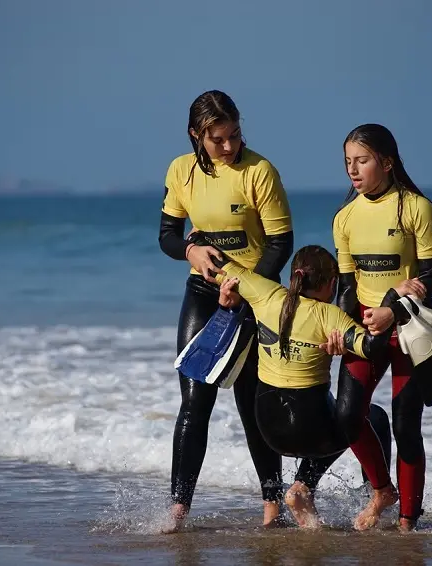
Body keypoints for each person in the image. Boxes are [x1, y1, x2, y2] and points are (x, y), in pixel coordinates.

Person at [158, 90, 295, 532]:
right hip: (203, 293)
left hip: (253, 298)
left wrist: (247, 288)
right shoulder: (181, 171)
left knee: (252, 404)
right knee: (194, 402)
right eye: (218, 139)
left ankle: (272, 507)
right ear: (196, 135)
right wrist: (190, 252)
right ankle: (178, 511)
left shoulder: (259, 171)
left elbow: (280, 242)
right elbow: (166, 235)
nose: (230, 146)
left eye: (234, 134)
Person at [208, 241, 411, 528]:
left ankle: (302, 490)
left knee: (328, 410)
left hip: (268, 427)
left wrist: (194, 242)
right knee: (370, 416)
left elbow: (215, 264)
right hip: (310, 431)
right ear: (331, 284)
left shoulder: (264, 292)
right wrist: (393, 301)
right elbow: (374, 347)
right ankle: (379, 494)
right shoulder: (331, 317)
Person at [329, 124, 432, 532]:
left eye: (362, 161)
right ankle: (382, 489)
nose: (353, 171)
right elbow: (346, 288)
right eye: (348, 162)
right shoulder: (345, 217)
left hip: (410, 328)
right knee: (346, 415)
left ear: (387, 161)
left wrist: (392, 309)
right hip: (365, 327)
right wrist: (343, 332)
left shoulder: (416, 208)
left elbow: (431, 276)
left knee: (406, 423)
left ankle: (408, 522)